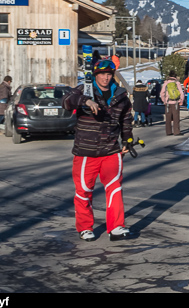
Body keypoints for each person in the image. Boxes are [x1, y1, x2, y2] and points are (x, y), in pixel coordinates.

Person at [62, 59, 133, 242]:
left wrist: (127, 139)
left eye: (109, 74)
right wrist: (85, 100)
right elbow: (67, 101)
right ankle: (85, 227)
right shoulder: (84, 90)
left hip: (111, 149)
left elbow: (125, 119)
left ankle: (116, 226)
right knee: (84, 190)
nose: (105, 78)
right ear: (95, 75)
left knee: (115, 188)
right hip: (86, 151)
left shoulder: (120, 94)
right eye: (101, 74)